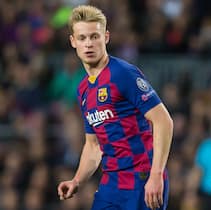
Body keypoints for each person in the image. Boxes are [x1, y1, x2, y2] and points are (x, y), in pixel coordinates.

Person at [57, 5, 174, 210]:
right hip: (111, 183)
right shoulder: (83, 89)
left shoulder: (123, 74)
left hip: (142, 178)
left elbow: (163, 120)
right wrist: (77, 181)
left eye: (95, 36)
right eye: (82, 38)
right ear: (73, 42)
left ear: (106, 37)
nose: (89, 44)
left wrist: (156, 174)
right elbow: (93, 146)